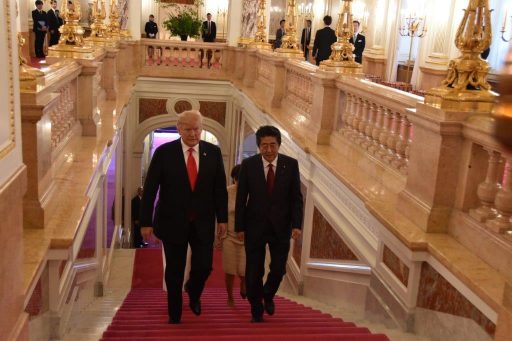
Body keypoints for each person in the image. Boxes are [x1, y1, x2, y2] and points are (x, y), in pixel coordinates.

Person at [140, 110, 228, 324]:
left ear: (202, 128)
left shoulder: (213, 152)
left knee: (204, 266)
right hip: (172, 221)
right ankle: (174, 312)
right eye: (188, 129)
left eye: (197, 129)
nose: (193, 134)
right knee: (174, 270)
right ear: (179, 129)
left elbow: (219, 190)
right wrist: (145, 222)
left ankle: (194, 292)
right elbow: (150, 189)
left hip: (203, 222)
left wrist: (223, 219)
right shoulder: (163, 153)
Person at [235, 125, 303, 323]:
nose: (269, 149)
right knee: (254, 270)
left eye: (273, 145)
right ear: (259, 146)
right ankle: (256, 307)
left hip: (281, 227)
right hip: (254, 226)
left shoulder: (290, 165)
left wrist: (297, 225)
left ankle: (268, 294)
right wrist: (240, 227)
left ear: (279, 145)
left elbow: (296, 198)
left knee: (279, 268)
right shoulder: (248, 165)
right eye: (264, 145)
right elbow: (241, 199)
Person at [217, 165, 246, 306]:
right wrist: (219, 235)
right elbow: (221, 215)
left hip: (246, 238)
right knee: (230, 270)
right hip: (229, 236)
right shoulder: (227, 192)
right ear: (234, 179)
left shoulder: (253, 192)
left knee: (244, 270)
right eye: (237, 179)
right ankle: (230, 296)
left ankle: (243, 285)